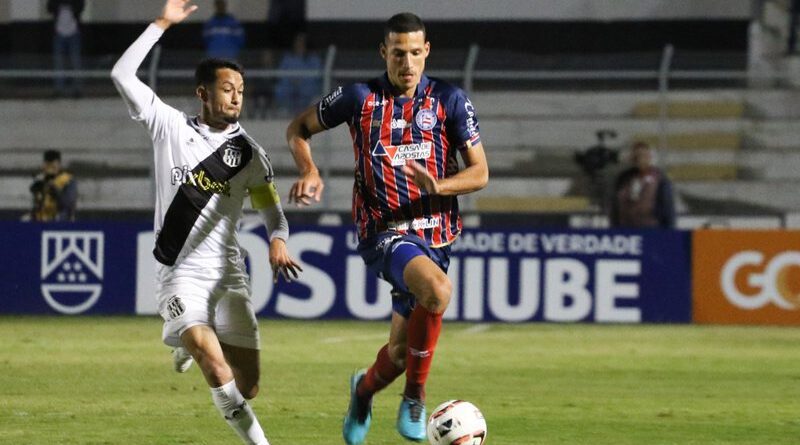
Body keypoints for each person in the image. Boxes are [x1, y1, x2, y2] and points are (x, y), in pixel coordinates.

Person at [285, 12, 489, 445]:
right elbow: (298, 129)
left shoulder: (450, 100)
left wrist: (439, 185)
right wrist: (309, 170)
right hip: (386, 232)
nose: (408, 63)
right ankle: (415, 398)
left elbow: (480, 173)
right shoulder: (359, 98)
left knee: (399, 354)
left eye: (415, 53)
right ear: (384, 53)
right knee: (437, 291)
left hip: (437, 235)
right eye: (398, 53)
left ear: (427, 51)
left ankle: (362, 391)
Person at [111, 1, 301, 444]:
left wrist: (277, 238)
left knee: (247, 386)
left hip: (228, 275)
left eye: (241, 89)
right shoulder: (168, 127)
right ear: (203, 93)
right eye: (228, 88)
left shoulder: (251, 156)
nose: (236, 96)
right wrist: (161, 24)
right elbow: (122, 75)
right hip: (180, 274)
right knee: (214, 364)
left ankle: (182, 340)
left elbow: (273, 212)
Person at [609, 141, 676, 228]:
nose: (639, 159)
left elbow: (668, 208)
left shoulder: (660, 179)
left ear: (650, 157)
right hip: (625, 229)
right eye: (636, 156)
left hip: (651, 229)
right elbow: (615, 205)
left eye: (643, 155)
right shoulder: (623, 178)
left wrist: (669, 232)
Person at [273, 33, 322, 115]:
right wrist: (292, 81)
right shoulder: (287, 58)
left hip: (307, 92)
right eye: (297, 42)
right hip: (289, 90)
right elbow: (281, 74)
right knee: (280, 89)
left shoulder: (313, 59)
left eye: (302, 42)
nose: (299, 44)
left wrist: (301, 81)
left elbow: (317, 76)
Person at [47, 0, 84, 97]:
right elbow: (49, 8)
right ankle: (59, 89)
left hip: (73, 31)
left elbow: (81, 6)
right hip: (59, 32)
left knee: (75, 61)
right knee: (59, 62)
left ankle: (77, 89)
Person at [28, 149, 78, 222]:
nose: (50, 169)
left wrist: (55, 190)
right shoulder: (40, 180)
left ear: (59, 165)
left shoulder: (68, 180)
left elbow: (67, 204)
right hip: (41, 221)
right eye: (48, 166)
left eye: (53, 166)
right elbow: (35, 205)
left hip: (60, 221)